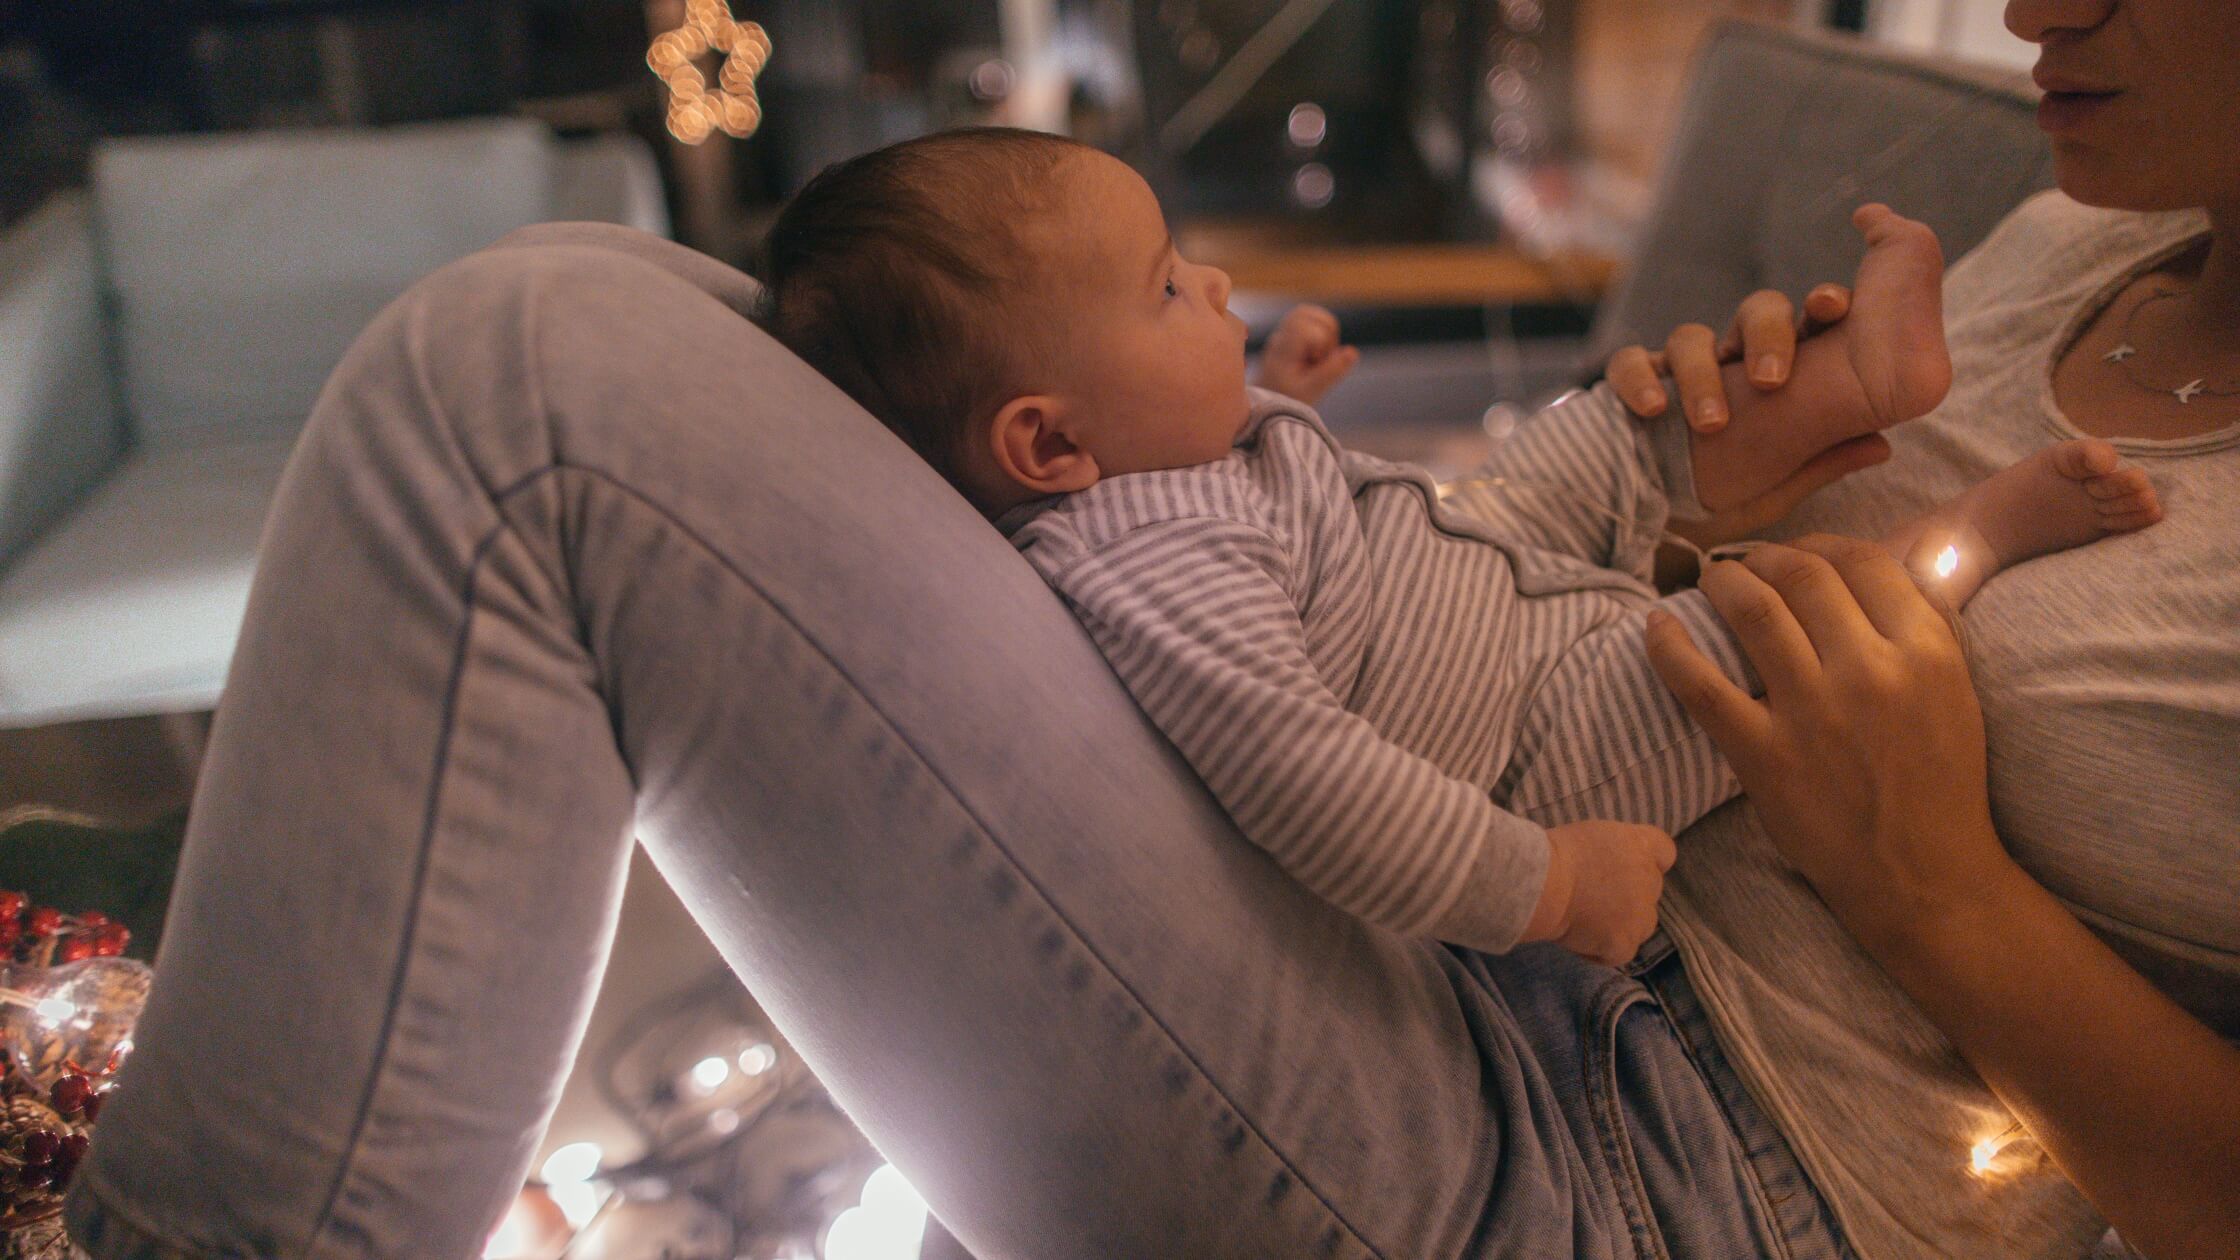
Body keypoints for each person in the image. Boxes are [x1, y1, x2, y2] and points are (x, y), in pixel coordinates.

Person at [63, 2, 2239, 1258]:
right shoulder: (2075, 230)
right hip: (1477, 910)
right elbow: (1661, 659)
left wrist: (1934, 886)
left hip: (1656, 1172)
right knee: (617, 309)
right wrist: (1718, 500)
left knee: (528, 386)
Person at [761, 127, 2156, 969]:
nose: (1218, 286)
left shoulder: (1141, 473)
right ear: (1050, 449)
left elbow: (1250, 516)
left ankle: (1868, 379)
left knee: (1613, 424)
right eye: (1168, 290)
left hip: (1467, 564)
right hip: (1530, 745)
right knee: (1766, 638)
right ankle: (1966, 536)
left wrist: (1276, 402)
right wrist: (1544, 887)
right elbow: (1308, 784)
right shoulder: (1144, 573)